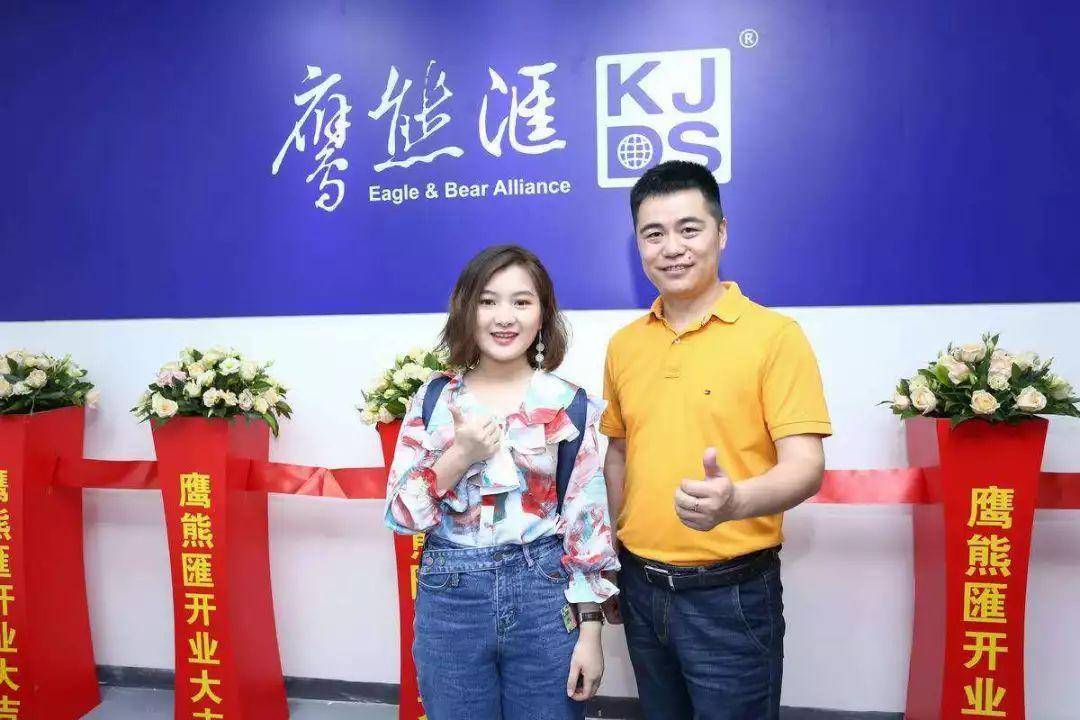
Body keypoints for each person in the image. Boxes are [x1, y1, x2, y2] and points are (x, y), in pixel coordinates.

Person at [601, 160, 832, 719]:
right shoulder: (625, 345)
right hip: (641, 587)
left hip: (731, 597)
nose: (672, 248)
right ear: (638, 244)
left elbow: (805, 464)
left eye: (689, 229)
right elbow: (619, 454)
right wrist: (610, 556)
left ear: (721, 232)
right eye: (653, 234)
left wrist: (736, 502)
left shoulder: (775, 337)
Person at [384, 244, 620, 720]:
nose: (504, 317)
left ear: (542, 314)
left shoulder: (570, 405)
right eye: (488, 301)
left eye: (521, 301)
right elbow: (403, 515)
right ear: (466, 309)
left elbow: (587, 529)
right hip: (451, 597)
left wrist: (591, 634)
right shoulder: (435, 399)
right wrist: (460, 455)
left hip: (544, 595)